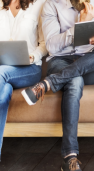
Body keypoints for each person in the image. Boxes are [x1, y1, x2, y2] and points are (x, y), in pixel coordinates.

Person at [21, 0, 94, 171]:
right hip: (62, 60)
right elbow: (51, 46)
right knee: (74, 81)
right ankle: (70, 157)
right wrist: (79, 26)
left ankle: (48, 83)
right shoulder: (52, 5)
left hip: (92, 64)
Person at [0, 0, 47, 161]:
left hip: (29, 68)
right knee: (3, 93)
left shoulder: (40, 4)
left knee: (1, 73)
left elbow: (45, 44)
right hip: (3, 70)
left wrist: (34, 56)